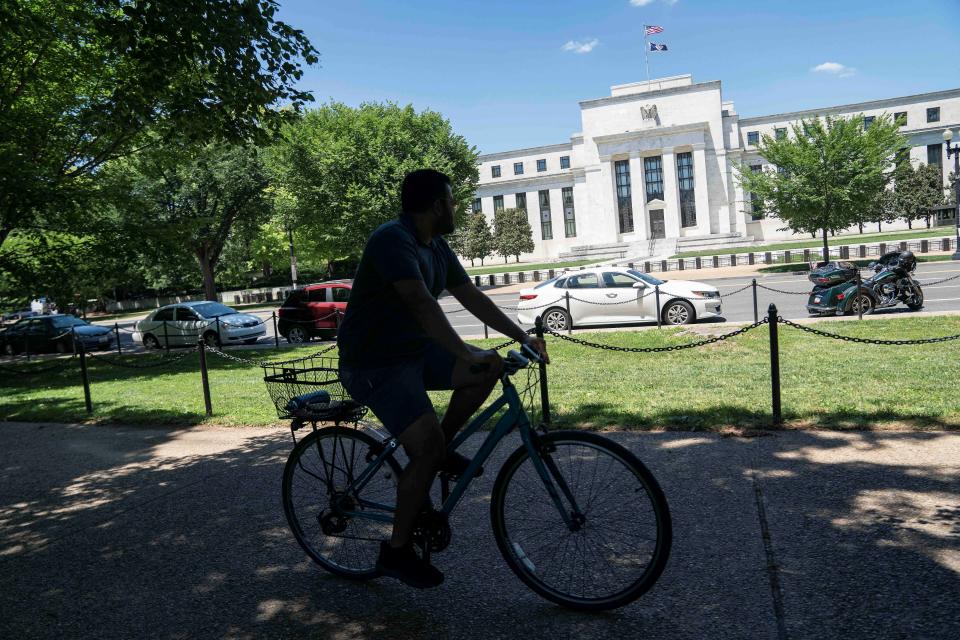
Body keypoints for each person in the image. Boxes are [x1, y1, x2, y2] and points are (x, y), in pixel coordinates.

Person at [337, 169, 548, 589]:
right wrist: (463, 350)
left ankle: (441, 449)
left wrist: (522, 336)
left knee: (488, 368)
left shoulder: (435, 245)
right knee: (429, 444)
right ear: (437, 204)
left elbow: (470, 295)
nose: (456, 209)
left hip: (412, 355)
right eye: (453, 202)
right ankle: (396, 552)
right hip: (374, 363)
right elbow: (419, 302)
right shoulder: (392, 239)